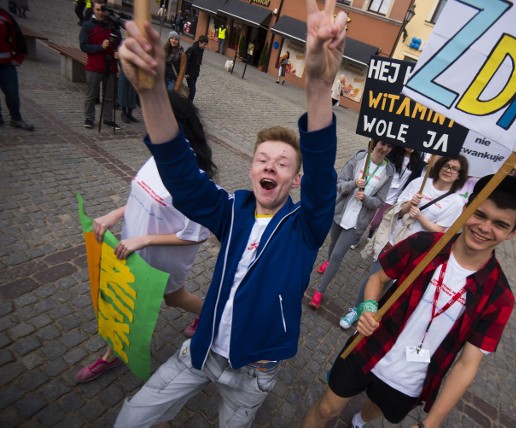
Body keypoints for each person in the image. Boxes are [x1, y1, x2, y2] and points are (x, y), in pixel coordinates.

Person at [113, 1, 346, 425]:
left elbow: (322, 169)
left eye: (282, 163)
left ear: (295, 180)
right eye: (262, 159)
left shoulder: (305, 226)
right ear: (252, 169)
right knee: (130, 418)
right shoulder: (231, 211)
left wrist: (317, 85)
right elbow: (182, 177)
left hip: (254, 372)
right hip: (199, 352)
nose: (270, 166)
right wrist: (150, 92)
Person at [302, 174, 516, 428]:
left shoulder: (500, 296)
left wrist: (432, 423)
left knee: (376, 408)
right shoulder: (424, 244)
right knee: (326, 409)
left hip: (411, 382)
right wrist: (369, 307)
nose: (484, 227)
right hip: (368, 347)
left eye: (500, 224)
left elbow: (468, 364)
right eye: (479, 214)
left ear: (513, 233)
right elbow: (378, 278)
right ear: (467, 207)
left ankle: (360, 419)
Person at [74, 92, 216, 383]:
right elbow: (141, 198)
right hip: (132, 251)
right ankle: (111, 356)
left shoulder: (193, 176)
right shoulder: (159, 157)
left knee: (173, 299)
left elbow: (196, 235)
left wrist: (146, 240)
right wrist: (112, 216)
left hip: (162, 259)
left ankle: (211, 318)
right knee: (126, 302)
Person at [339, 155, 468, 329]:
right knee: (374, 278)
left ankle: (372, 319)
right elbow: (396, 211)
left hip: (416, 252)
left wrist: (420, 217)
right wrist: (409, 205)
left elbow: (441, 232)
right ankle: (356, 310)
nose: (449, 170)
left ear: (460, 175)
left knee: (394, 287)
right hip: (394, 242)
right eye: (446, 165)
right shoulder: (420, 183)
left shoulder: (456, 202)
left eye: (454, 168)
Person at [310, 140, 395, 309]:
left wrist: (366, 199)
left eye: (389, 146)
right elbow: (339, 184)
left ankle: (319, 291)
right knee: (332, 245)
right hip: (340, 212)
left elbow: (379, 202)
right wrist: (354, 184)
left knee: (337, 256)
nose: (384, 149)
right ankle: (327, 262)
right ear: (374, 143)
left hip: (357, 222)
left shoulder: (388, 171)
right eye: (382, 144)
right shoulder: (359, 158)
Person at [365, 146, 426, 241]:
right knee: (366, 216)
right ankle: (356, 237)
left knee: (376, 221)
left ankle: (371, 231)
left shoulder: (418, 163)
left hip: (393, 197)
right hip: (380, 191)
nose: (410, 147)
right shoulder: (392, 155)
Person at [79, 0, 121, 130]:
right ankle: (89, 117)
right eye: (98, 10)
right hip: (95, 66)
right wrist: (100, 47)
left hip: (111, 67)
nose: (100, 12)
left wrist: (118, 52)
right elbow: (84, 46)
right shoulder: (88, 26)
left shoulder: (112, 26)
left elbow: (120, 43)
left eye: (103, 10)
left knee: (109, 96)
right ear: (93, 10)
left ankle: (107, 118)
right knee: (91, 94)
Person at [0, 7, 34, 131]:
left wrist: (18, 58)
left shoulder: (5, 17)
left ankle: (16, 118)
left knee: (12, 93)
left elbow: (18, 38)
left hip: (6, 64)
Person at [184, 35, 207, 102]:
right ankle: (189, 105)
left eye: (206, 45)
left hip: (195, 72)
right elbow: (186, 61)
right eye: (204, 44)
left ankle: (187, 103)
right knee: (192, 90)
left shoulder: (201, 49)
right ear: (200, 42)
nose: (205, 46)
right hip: (190, 73)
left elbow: (198, 59)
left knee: (191, 90)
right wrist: (186, 73)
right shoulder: (192, 49)